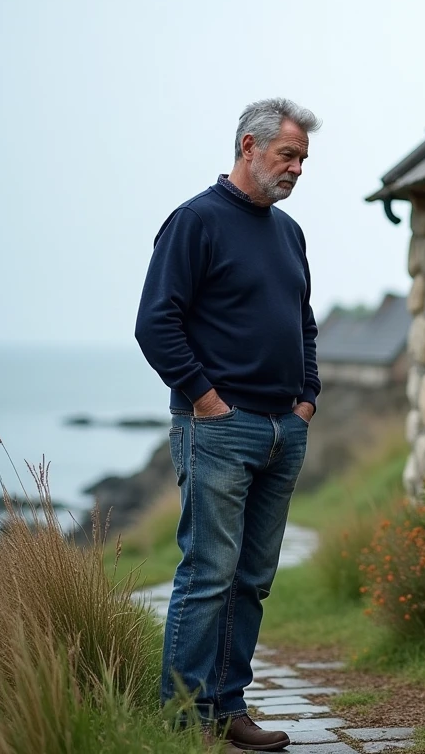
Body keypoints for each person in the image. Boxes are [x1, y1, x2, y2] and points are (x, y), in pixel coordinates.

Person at [135, 98, 321, 751]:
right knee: (209, 574)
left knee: (252, 579)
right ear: (249, 146)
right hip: (217, 427)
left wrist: (307, 400)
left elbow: (303, 324)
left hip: (282, 430)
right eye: (287, 155)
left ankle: (227, 708)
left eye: (302, 159)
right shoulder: (195, 221)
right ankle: (185, 719)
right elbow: (155, 322)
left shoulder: (289, 233)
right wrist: (206, 400)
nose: (297, 168)